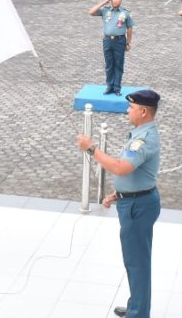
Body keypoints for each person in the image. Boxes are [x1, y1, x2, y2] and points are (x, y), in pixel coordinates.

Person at [75, 89, 161, 318]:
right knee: (134, 260)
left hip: (138, 206)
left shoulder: (144, 139)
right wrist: (118, 193)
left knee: (137, 264)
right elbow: (133, 174)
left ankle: (139, 314)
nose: (127, 111)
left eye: (131, 108)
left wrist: (91, 148)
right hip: (133, 201)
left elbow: (121, 167)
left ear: (143, 111)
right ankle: (136, 306)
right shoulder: (139, 133)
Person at [89, 0, 134, 96]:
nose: (115, 1)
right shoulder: (105, 10)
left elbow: (130, 28)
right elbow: (91, 12)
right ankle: (110, 86)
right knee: (109, 64)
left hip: (120, 41)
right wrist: (104, 2)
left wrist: (128, 43)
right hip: (107, 40)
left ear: (121, 0)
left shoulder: (125, 12)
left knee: (118, 64)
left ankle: (117, 87)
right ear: (110, 0)